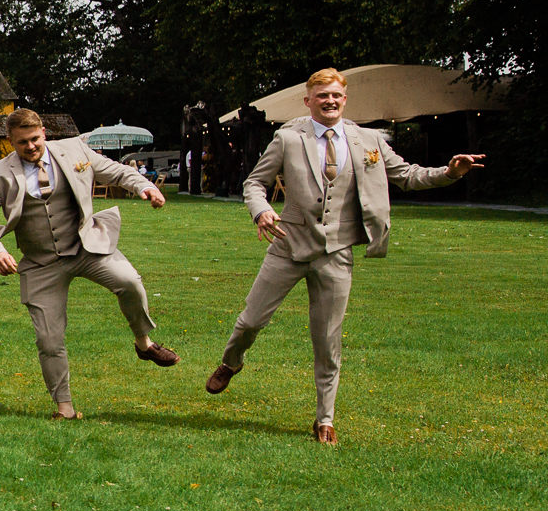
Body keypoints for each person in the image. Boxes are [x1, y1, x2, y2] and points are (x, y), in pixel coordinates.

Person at [206, 68, 483, 444]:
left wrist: (449, 173)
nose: (330, 101)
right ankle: (231, 362)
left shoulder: (368, 140)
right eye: (322, 96)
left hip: (336, 253)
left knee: (328, 340)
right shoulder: (287, 138)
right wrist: (262, 210)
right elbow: (255, 182)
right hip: (287, 246)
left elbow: (407, 175)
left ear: (345, 99)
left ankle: (325, 419)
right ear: (309, 101)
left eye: (336, 95)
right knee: (251, 321)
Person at [0, 108, 177, 419]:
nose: (31, 146)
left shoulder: (74, 150)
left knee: (129, 281)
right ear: (11, 141)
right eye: (22, 143)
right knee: (49, 339)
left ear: (44, 133)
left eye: (35, 139)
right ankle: (65, 408)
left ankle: (144, 343)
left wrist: (145, 186)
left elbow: (116, 172)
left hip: (87, 246)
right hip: (40, 262)